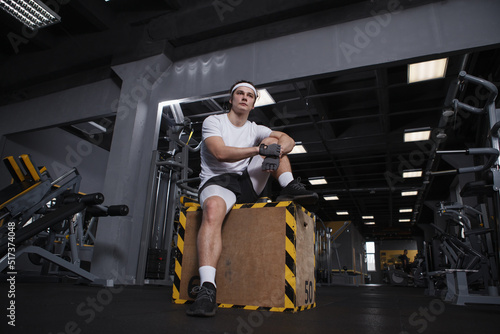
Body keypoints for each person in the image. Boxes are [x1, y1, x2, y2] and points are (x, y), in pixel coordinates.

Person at [186, 80, 318, 317]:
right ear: (231, 98)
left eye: (249, 95)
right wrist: (259, 150)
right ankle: (207, 289)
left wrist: (277, 147)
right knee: (214, 208)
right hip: (219, 182)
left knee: (272, 140)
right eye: (240, 93)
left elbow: (286, 138)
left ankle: (288, 185)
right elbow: (220, 152)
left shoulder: (255, 128)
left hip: (245, 181)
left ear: (254, 103)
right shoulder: (213, 121)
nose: (244, 97)